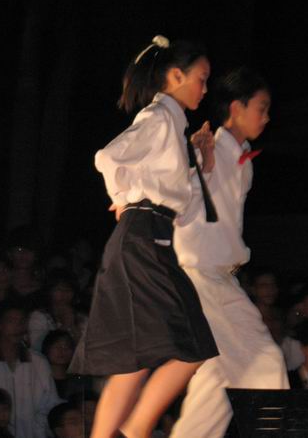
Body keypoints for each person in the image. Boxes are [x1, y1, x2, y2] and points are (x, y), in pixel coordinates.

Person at [68, 35, 218, 438]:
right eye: (201, 78)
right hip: (143, 237)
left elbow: (175, 199)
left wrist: (200, 162)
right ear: (176, 76)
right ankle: (134, 430)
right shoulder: (159, 117)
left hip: (149, 234)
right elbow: (107, 157)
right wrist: (123, 199)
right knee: (192, 345)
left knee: (136, 358)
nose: (205, 88)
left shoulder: (171, 124)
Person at [171, 67, 288, 438]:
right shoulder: (207, 150)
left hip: (220, 277)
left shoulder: (242, 162)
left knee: (219, 377)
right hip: (199, 276)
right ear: (236, 108)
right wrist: (196, 164)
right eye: (261, 108)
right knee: (265, 360)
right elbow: (178, 201)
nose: (266, 117)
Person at [0, 299, 61, 438]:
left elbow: (50, 403)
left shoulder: (39, 362)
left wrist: (38, 431)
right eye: (11, 321)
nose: (18, 327)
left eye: (22, 321)